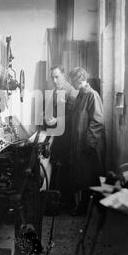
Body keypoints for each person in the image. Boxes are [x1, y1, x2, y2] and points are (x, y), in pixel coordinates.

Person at [68, 67, 106, 216]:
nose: (72, 84)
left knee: (91, 178)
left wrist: (89, 144)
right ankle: (84, 208)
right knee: (84, 178)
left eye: (73, 81)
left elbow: (97, 121)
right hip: (80, 144)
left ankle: (92, 210)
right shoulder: (80, 96)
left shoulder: (92, 95)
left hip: (89, 145)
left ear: (80, 80)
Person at [45, 65, 78, 212]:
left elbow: (73, 118)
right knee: (57, 169)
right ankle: (55, 204)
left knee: (66, 171)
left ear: (63, 76)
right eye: (52, 77)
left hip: (68, 137)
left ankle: (68, 205)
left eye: (57, 76)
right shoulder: (55, 91)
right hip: (58, 135)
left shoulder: (71, 92)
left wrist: (56, 120)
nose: (54, 79)